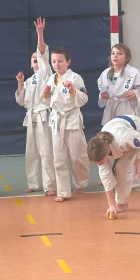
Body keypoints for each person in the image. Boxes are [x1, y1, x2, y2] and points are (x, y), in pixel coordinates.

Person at [87, 115, 140, 219]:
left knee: (122, 168)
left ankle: (122, 203)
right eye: (96, 163)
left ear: (108, 151)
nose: (99, 164)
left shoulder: (123, 139)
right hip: (118, 127)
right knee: (133, 159)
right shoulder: (98, 148)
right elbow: (106, 178)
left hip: (136, 127)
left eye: (100, 162)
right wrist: (111, 205)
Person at [41, 47, 89, 202]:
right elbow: (47, 102)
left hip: (72, 119)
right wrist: (45, 94)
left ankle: (80, 183)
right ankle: (63, 191)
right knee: (58, 158)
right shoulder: (51, 79)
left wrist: (72, 90)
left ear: (68, 62)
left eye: (60, 61)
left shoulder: (75, 78)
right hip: (57, 120)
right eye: (54, 61)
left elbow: (84, 99)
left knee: (77, 157)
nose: (57, 64)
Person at [15, 17, 56, 195]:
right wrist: (20, 83)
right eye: (32, 58)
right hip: (31, 117)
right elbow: (21, 101)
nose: (35, 59)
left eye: (36, 58)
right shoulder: (29, 80)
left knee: (46, 152)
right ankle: (33, 183)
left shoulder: (46, 73)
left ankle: (50, 186)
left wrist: (40, 33)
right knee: (31, 153)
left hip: (44, 116)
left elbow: (42, 53)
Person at [97, 43, 140, 125]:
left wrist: (134, 93)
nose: (115, 56)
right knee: (110, 131)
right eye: (113, 53)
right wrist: (104, 96)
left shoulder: (133, 72)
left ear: (126, 58)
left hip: (126, 108)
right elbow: (102, 89)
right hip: (111, 108)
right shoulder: (105, 73)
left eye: (119, 54)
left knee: (125, 130)